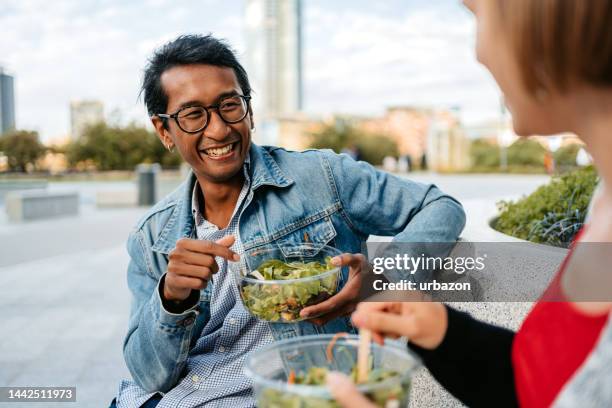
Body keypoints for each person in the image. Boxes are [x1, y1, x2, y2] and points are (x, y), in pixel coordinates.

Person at [111, 34, 465, 407]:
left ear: (248, 110)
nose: (218, 130)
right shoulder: (152, 237)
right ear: (165, 130)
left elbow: (440, 206)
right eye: (193, 114)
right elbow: (149, 375)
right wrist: (172, 298)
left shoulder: (321, 177)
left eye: (229, 105)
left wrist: (384, 281)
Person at [328, 0, 612, 407]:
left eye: (478, 13)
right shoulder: (604, 201)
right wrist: (443, 330)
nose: (479, 53)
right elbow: (540, 385)